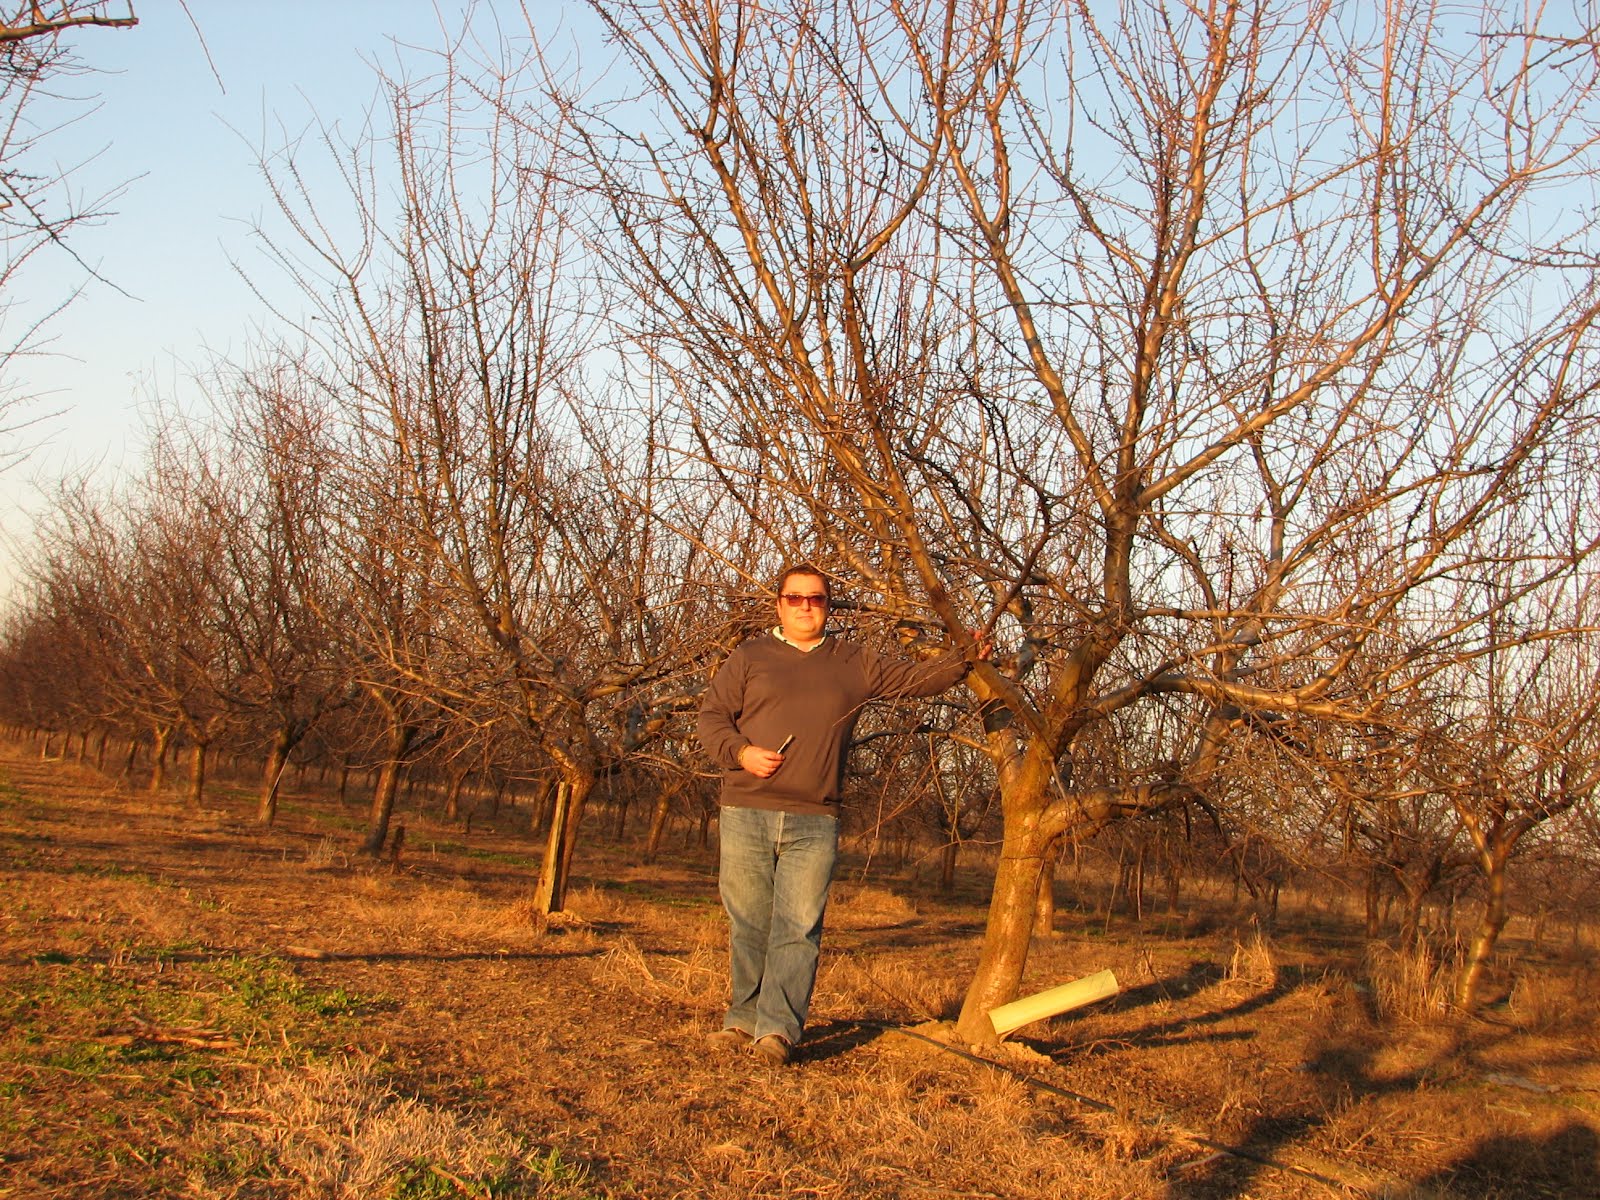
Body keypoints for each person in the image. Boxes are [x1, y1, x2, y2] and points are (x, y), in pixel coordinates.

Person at [696, 563, 986, 1065]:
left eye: (816, 599)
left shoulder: (852, 661)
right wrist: (742, 753)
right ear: (778, 604)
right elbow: (711, 718)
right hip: (747, 809)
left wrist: (963, 657)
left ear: (829, 606)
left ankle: (778, 1033)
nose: (805, 606)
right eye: (795, 598)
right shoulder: (750, 657)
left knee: (798, 926)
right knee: (749, 923)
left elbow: (916, 679)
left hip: (815, 817)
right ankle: (743, 1020)